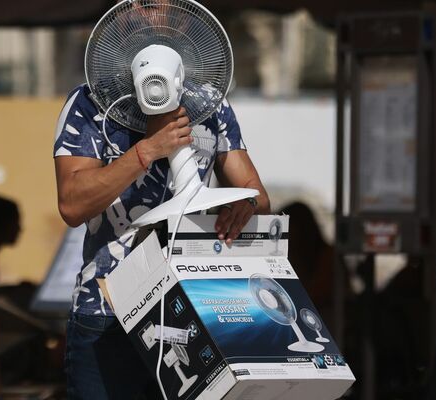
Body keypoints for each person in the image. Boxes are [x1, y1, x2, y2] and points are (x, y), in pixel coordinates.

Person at [54, 15, 270, 400]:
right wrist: (148, 150)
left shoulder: (211, 104)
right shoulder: (89, 104)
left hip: (193, 315)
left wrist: (246, 204)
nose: (154, 12)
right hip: (106, 314)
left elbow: (255, 192)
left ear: (182, 18)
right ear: (127, 12)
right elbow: (72, 204)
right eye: (144, 3)